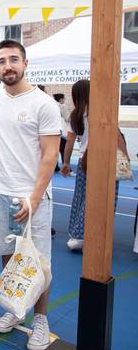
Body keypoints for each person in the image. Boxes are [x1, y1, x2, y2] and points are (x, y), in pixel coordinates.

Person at [0, 40, 61, 350]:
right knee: (7, 256)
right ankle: (14, 308)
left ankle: (41, 320)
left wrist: (34, 196)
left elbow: (50, 155)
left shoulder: (44, 103)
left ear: (26, 63)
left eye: (13, 59)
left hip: (32, 197)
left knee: (38, 262)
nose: (8, 66)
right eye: (2, 61)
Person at [59, 80, 117, 251]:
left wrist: (66, 163)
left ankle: (77, 234)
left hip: (86, 160)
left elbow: (69, 143)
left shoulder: (77, 114)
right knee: (106, 200)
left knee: (81, 198)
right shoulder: (103, 110)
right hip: (106, 160)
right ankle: (95, 235)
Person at [53, 93, 69, 172]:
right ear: (61, 99)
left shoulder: (52, 105)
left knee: (55, 149)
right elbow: (67, 118)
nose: (64, 100)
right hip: (61, 131)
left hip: (53, 131)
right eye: (64, 98)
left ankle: (55, 166)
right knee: (63, 150)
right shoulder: (62, 106)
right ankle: (65, 167)